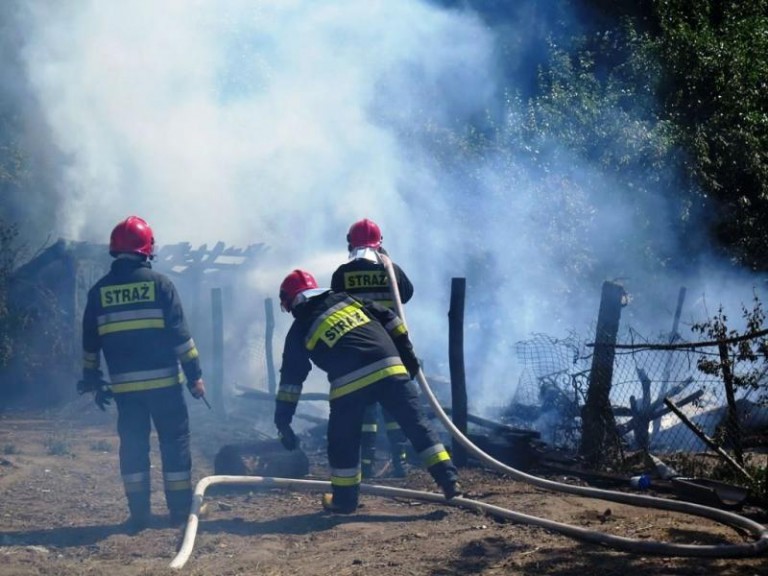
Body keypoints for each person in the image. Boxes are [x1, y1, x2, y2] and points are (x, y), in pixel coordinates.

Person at [273, 269, 461, 514]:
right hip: (389, 368)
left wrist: (283, 421)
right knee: (418, 426)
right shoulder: (349, 300)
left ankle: (344, 501)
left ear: (291, 303)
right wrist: (408, 359)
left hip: (349, 384)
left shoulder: (299, 329)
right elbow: (392, 320)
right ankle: (450, 482)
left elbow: (291, 381)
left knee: (343, 442)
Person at [80, 215, 206, 532]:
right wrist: (195, 377)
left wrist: (94, 380)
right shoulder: (160, 285)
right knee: (174, 444)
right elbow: (182, 339)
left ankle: (138, 515)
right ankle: (178, 513)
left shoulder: (99, 292)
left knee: (134, 446)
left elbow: (90, 344)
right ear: (147, 248)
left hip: (126, 391)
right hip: (165, 387)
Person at [330, 218, 413, 478]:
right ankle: (399, 462)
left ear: (350, 243)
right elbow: (406, 295)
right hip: (391, 347)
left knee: (365, 410)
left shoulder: (342, 274)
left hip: (356, 352)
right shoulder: (392, 270)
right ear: (379, 244)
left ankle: (365, 463)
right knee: (394, 407)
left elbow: (334, 305)